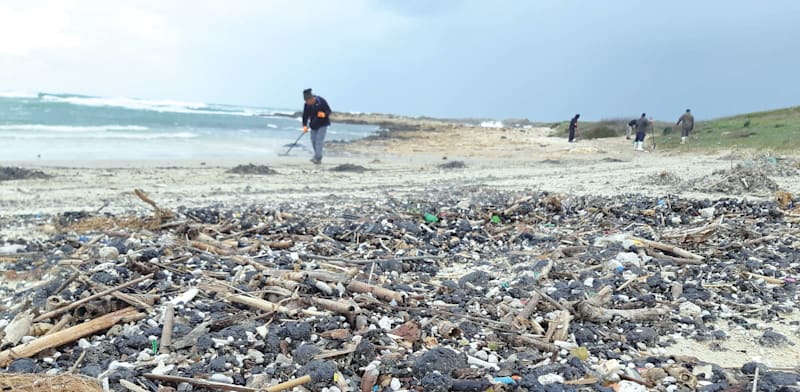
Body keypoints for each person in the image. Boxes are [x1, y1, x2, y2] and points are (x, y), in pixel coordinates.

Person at [302, 88, 332, 164]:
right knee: (313, 141)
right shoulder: (306, 105)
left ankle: (318, 158)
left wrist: (324, 114)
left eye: (308, 101)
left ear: (312, 98)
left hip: (323, 124)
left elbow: (329, 111)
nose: (307, 103)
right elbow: (305, 115)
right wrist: (304, 126)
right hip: (313, 125)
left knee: (319, 141)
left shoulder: (321, 101)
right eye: (306, 101)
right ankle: (317, 156)